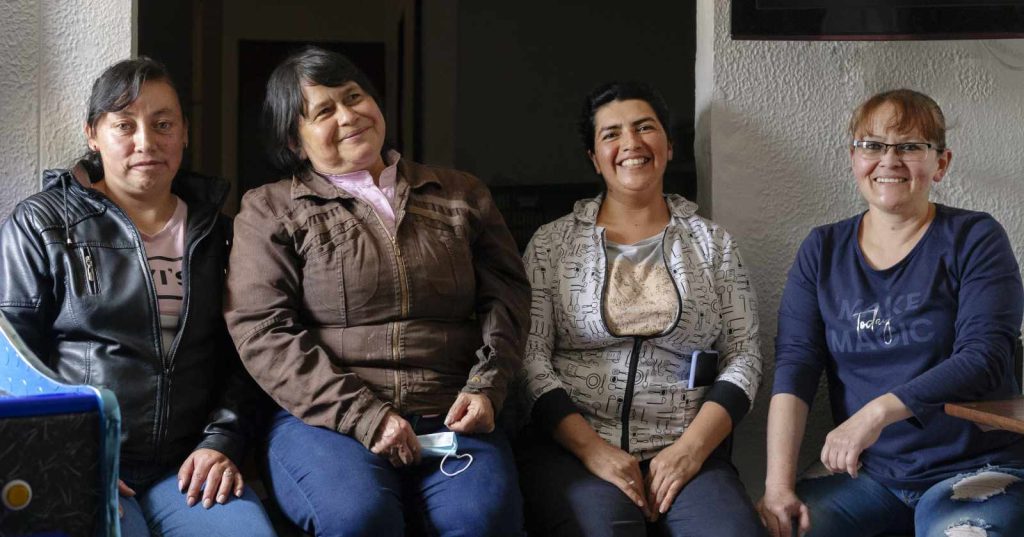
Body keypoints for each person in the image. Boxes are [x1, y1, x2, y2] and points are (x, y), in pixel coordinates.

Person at [223, 46, 531, 537]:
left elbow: (507, 298)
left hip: (451, 409)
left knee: (483, 521)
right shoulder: (270, 210)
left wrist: (487, 386)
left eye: (354, 96)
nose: (349, 116)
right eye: (324, 110)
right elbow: (263, 330)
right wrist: (366, 416)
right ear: (295, 141)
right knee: (359, 518)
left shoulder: (461, 194)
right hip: (327, 421)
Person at [0, 57, 275, 536]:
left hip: (193, 464)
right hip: (83, 458)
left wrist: (223, 441)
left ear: (184, 132)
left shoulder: (226, 235)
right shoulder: (41, 224)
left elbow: (248, 355)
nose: (146, 142)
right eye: (124, 125)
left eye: (163, 124)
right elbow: (13, 360)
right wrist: (74, 452)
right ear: (93, 134)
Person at [757, 89, 1024, 537]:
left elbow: (986, 357)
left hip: (974, 470)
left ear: (941, 163)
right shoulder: (822, 249)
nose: (889, 160)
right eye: (873, 146)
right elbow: (795, 367)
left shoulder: (974, 237)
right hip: (867, 476)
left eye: (910, 146)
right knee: (775, 529)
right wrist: (777, 488)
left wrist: (875, 413)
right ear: (853, 158)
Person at [516, 81, 766, 537]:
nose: (630, 143)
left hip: (686, 447)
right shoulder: (552, 244)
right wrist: (594, 450)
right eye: (611, 134)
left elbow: (744, 356)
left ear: (669, 147)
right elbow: (529, 357)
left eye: (644, 127)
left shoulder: (713, 244)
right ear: (594, 157)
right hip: (575, 450)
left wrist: (690, 452)